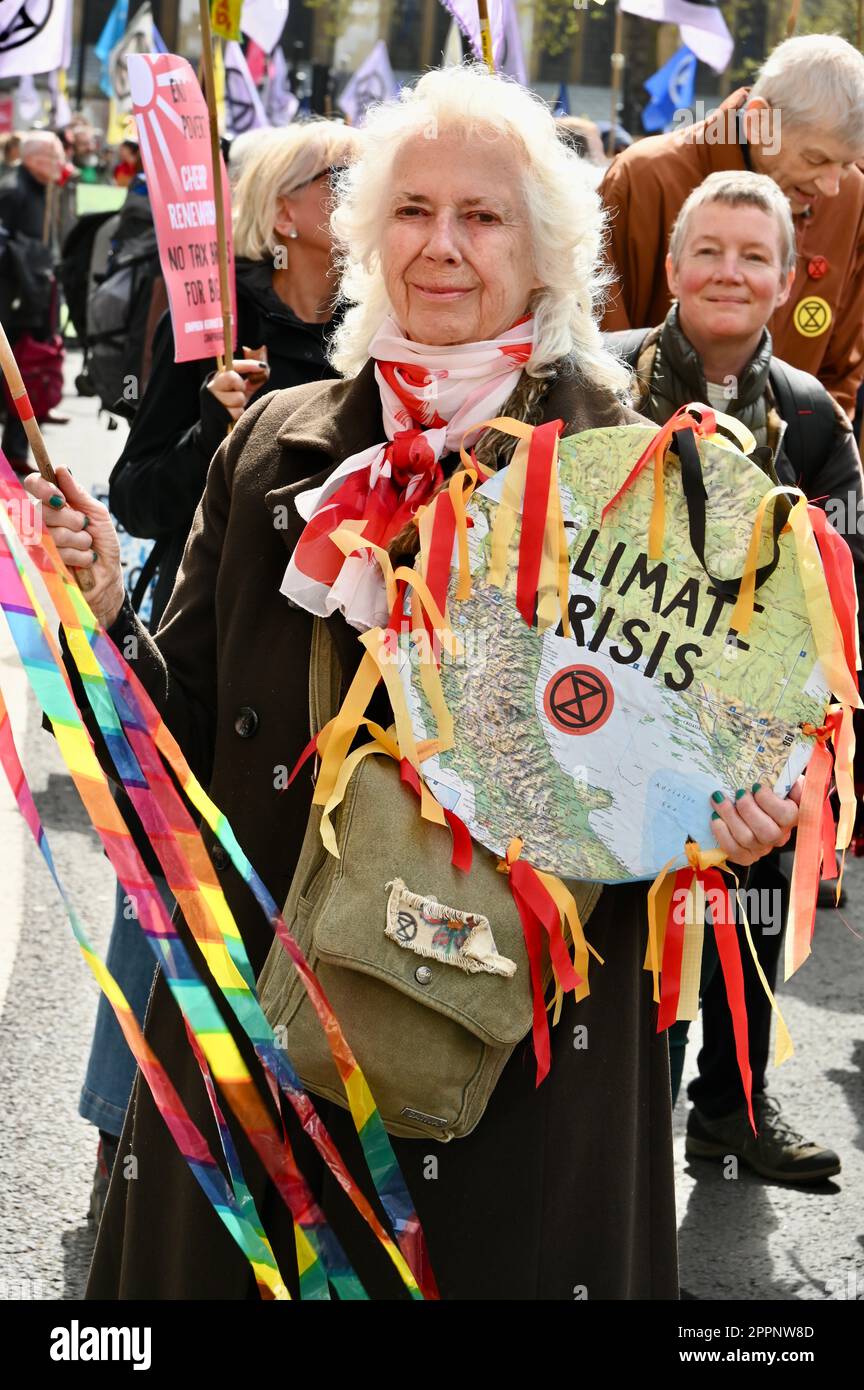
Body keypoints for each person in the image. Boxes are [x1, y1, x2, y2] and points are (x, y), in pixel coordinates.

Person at [28, 65, 800, 1301]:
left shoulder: (648, 471)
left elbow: (733, 744)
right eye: (411, 210)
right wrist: (109, 611)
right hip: (266, 1019)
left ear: (547, 253)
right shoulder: (274, 439)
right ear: (367, 235)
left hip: (519, 1060)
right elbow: (175, 738)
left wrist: (751, 812)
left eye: (482, 217)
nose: (442, 246)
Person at [78, 119, 361, 1221]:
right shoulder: (214, 326)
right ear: (284, 208)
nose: (359, 192)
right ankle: (125, 1128)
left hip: (324, 676)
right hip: (210, 642)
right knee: (165, 885)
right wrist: (216, 429)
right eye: (341, 177)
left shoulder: (370, 334)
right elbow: (138, 493)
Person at [606, 168, 864, 1183]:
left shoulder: (811, 419)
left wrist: (807, 735)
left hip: (760, 740)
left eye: (753, 255)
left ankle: (736, 1111)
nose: (728, 271)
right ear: (670, 267)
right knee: (634, 944)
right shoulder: (600, 382)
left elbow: (850, 581)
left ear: (787, 276)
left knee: (749, 920)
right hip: (619, 725)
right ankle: (626, 1139)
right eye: (707, 250)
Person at [600, 34, 864, 417]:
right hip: (647, 458)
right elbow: (601, 355)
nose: (832, 185)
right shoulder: (644, 179)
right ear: (759, 121)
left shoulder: (851, 195)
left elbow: (843, 371)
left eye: (847, 164)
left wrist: (809, 457)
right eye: (816, 159)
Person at [0, 132, 66, 472]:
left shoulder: (43, 190)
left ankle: (17, 446)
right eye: (53, 157)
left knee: (32, 370)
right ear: (33, 158)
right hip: (13, 299)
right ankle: (12, 449)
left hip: (35, 297)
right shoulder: (13, 190)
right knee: (12, 373)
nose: (60, 165)